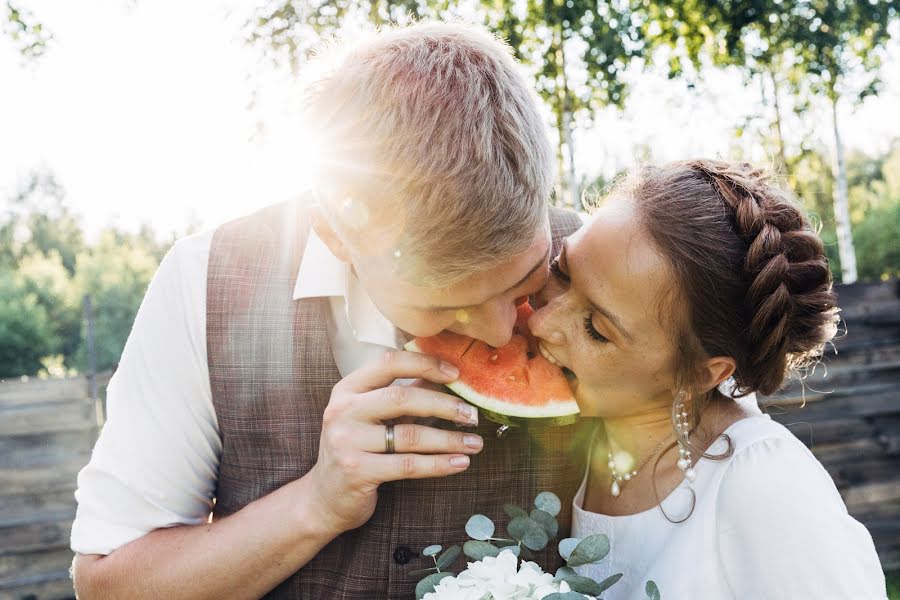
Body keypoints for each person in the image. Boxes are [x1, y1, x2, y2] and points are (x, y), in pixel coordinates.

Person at [70, 22, 587, 599]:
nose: (499, 331)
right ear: (335, 234)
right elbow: (107, 585)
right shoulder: (202, 280)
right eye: (450, 307)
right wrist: (315, 504)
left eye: (526, 278)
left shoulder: (604, 274)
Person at [528, 159, 887, 599]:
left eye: (597, 329)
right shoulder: (582, 437)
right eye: (561, 271)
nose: (541, 323)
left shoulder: (767, 486)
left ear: (703, 373)